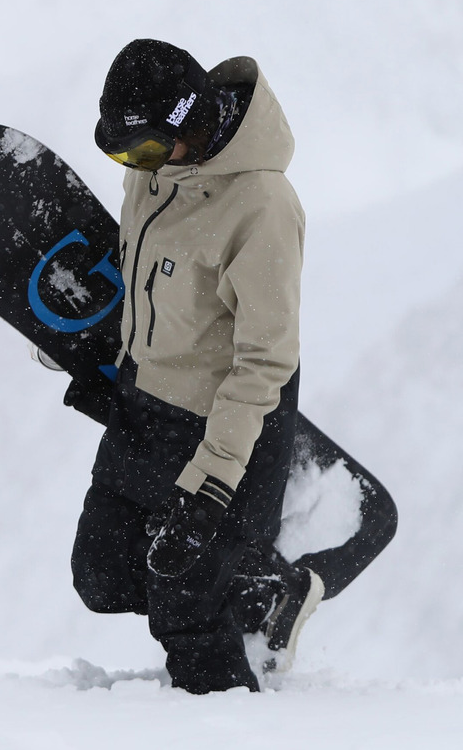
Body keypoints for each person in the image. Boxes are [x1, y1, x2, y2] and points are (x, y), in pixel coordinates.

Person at [69, 39, 395, 694]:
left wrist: (209, 489)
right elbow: (149, 280)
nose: (137, 169)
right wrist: (111, 359)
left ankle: (227, 711)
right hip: (144, 411)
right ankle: (256, 590)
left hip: (224, 431)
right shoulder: (156, 168)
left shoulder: (263, 207)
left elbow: (264, 362)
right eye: (124, 155)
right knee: (101, 575)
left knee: (184, 617)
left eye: (147, 152)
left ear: (191, 124)